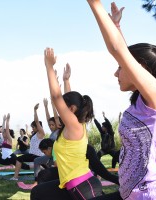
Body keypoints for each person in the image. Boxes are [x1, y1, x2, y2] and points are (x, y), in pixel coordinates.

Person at [87, 1, 156, 199]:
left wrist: (94, 4)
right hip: (131, 194)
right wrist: (117, 28)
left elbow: (119, 51)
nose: (115, 73)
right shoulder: (144, 101)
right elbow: (123, 53)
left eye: (121, 68)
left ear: (141, 69)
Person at [30, 48, 102, 199]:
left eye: (63, 106)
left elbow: (57, 97)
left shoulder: (75, 126)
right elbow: (69, 100)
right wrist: (66, 81)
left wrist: (49, 67)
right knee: (38, 193)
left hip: (84, 187)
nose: (59, 107)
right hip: (73, 185)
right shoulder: (74, 124)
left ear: (71, 109)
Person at [10, 103, 45, 181]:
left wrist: (35, 110)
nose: (32, 128)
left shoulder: (41, 133)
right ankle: (15, 177)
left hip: (37, 155)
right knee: (19, 159)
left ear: (37, 127)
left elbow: (36, 121)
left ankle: (16, 177)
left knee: (20, 159)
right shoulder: (35, 134)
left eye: (33, 127)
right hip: (32, 154)